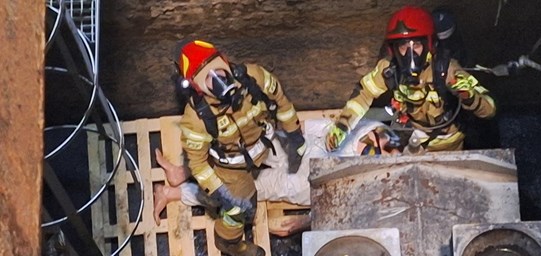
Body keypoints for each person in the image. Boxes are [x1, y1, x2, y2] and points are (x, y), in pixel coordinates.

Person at [170, 39, 305, 256]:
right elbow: (198, 163)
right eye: (208, 79)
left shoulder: (254, 77)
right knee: (238, 209)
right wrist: (221, 193)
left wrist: (294, 133)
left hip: (266, 143)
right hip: (232, 166)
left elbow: (281, 101)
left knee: (297, 170)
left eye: (219, 71)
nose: (219, 81)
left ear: (224, 60)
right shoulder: (196, 119)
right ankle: (230, 244)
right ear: (196, 87)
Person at [153, 118, 401, 236]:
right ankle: (181, 172)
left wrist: (302, 222)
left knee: (238, 191)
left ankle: (172, 193)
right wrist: (293, 128)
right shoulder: (371, 128)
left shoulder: (374, 185)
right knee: (240, 152)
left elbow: (341, 207)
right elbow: (327, 127)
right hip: (297, 151)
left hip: (298, 185)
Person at [326, 6, 497, 153]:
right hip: (412, 138)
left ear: (428, 45)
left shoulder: (446, 69)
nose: (410, 54)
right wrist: (342, 126)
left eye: (416, 45)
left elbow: (490, 109)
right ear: (394, 49)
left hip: (449, 143)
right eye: (403, 46)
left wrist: (469, 96)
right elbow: (364, 94)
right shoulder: (389, 69)